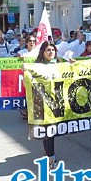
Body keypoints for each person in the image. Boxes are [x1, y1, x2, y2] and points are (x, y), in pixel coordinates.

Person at [33, 41, 63, 169]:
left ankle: (48, 152)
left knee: (55, 130)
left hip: (58, 101)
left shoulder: (61, 64)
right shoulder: (36, 66)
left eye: (53, 50)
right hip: (43, 102)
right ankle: (51, 158)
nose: (51, 52)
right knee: (48, 132)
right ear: (43, 52)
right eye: (48, 50)